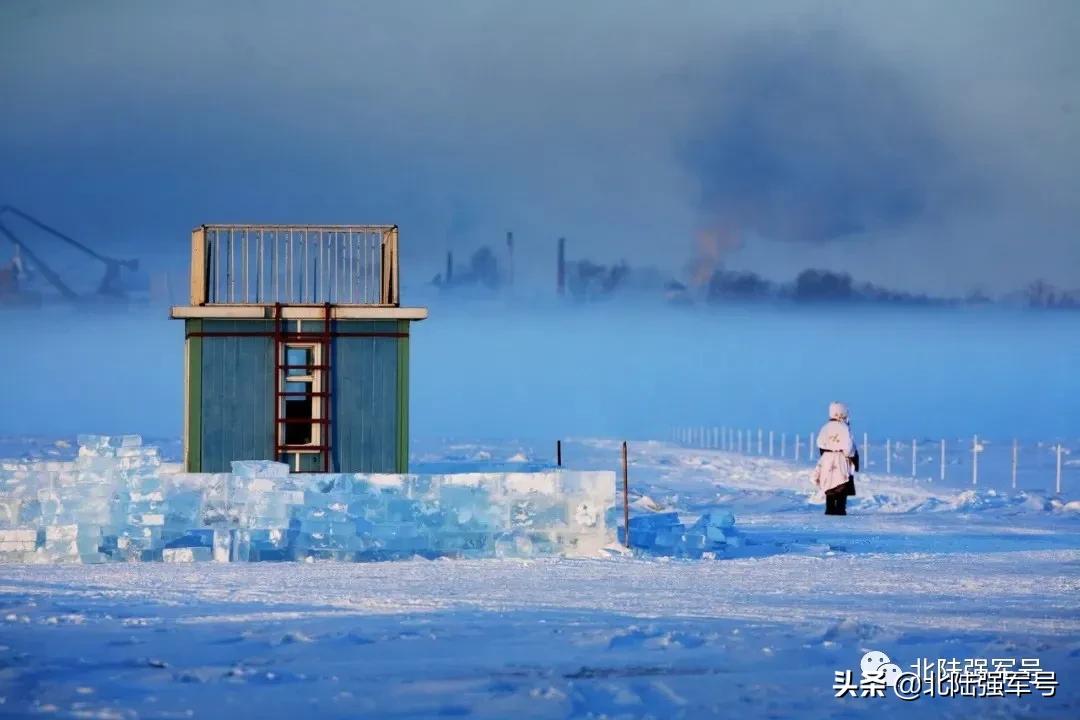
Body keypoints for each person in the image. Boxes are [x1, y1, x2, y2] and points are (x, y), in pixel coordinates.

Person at [813, 401, 859, 515]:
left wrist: (825, 454)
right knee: (841, 484)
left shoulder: (825, 427)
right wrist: (852, 457)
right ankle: (840, 509)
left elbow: (819, 442)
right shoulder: (844, 427)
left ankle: (829, 509)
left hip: (827, 459)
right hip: (840, 459)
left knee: (829, 484)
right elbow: (849, 446)